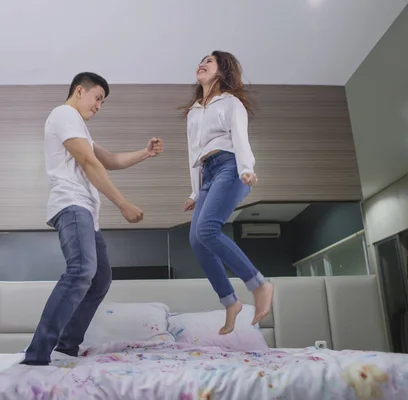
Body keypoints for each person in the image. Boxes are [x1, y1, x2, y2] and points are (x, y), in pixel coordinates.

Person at [22, 72, 163, 365]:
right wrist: (123, 203)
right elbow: (88, 163)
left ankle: (66, 347)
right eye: (97, 97)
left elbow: (108, 159)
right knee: (81, 271)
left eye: (102, 101)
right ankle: (37, 354)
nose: (99, 105)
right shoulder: (64, 114)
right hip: (72, 204)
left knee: (99, 280)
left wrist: (145, 154)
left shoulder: (80, 129)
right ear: (78, 91)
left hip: (86, 211)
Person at [182, 51, 274, 335]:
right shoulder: (195, 110)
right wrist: (196, 192)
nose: (202, 63)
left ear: (222, 70)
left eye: (209, 61)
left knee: (208, 230)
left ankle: (259, 284)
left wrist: (246, 168)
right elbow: (193, 154)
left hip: (231, 165)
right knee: (197, 241)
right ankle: (230, 301)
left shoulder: (231, 102)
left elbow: (240, 136)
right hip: (208, 172)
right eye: (201, 60)